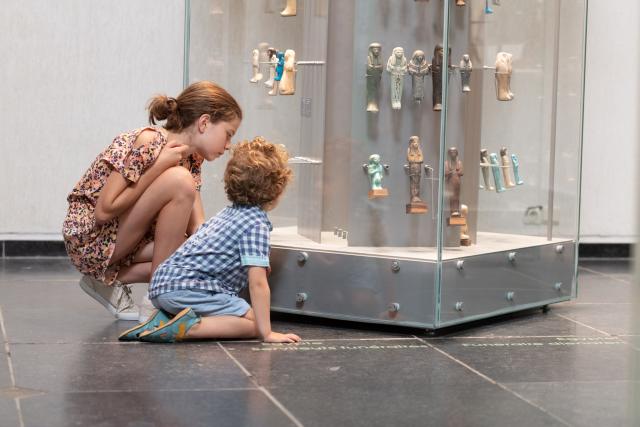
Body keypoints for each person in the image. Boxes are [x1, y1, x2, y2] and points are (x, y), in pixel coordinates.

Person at [62, 81, 242, 321]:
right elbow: (104, 212)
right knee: (180, 180)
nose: (228, 145)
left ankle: (106, 281)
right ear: (204, 122)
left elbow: (197, 231)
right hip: (91, 239)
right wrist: (158, 167)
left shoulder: (191, 160)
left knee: (193, 251)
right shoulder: (149, 141)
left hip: (123, 239)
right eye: (228, 134)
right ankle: (157, 301)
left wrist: (232, 247)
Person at [118, 137, 301, 343]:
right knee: (253, 324)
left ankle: (165, 319)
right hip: (184, 290)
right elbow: (257, 284)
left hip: (161, 286)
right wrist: (266, 333)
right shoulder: (256, 225)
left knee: (242, 315)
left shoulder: (227, 214)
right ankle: (187, 328)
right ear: (277, 190)